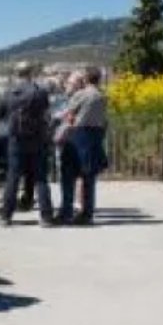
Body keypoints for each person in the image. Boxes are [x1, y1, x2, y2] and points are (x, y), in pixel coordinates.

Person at [0, 61, 55, 226]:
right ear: (31, 73)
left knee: (13, 177)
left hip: (16, 139)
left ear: (16, 73)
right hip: (37, 138)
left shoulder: (9, 92)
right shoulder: (40, 92)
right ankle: (46, 216)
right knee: (40, 177)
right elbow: (47, 114)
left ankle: (6, 216)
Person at [58, 66, 108, 225]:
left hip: (77, 136)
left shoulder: (81, 94)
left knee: (68, 176)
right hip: (95, 137)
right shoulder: (102, 96)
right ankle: (87, 213)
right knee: (89, 178)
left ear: (86, 79)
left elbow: (68, 113)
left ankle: (66, 211)